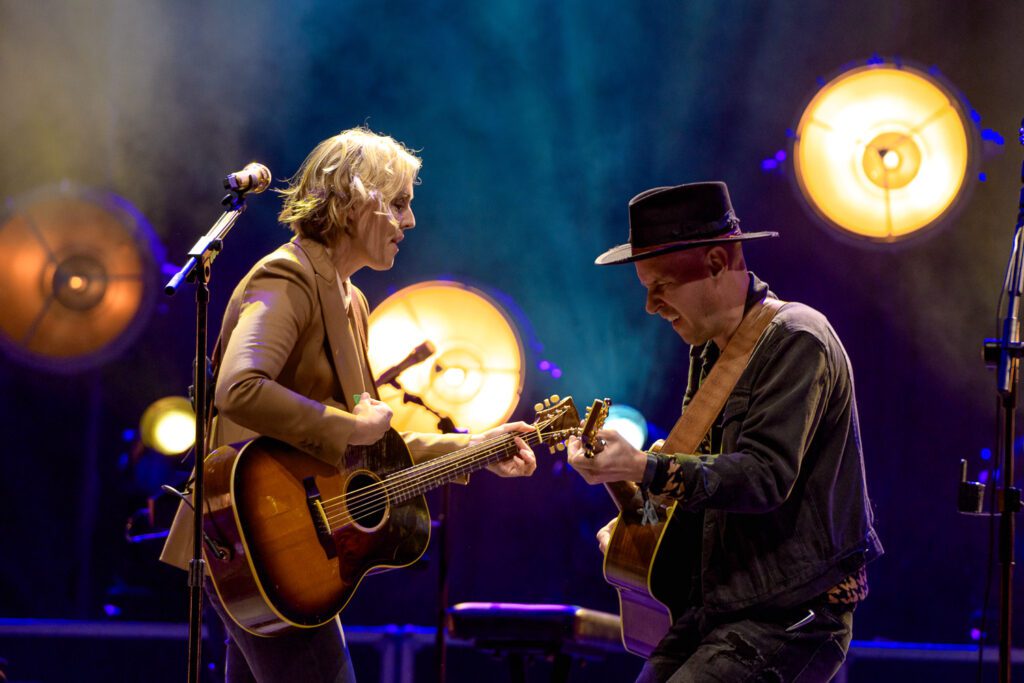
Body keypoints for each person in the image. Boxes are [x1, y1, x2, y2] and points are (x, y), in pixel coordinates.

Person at [160, 126, 537, 682]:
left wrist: (475, 448)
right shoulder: (287, 274)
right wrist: (347, 429)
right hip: (249, 537)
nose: (410, 222)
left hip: (278, 552)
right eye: (400, 204)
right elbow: (240, 388)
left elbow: (371, 443)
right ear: (358, 200)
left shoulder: (351, 299)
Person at [566, 181, 882, 682]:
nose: (650, 306)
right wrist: (630, 503)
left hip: (788, 619)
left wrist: (642, 465)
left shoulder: (798, 338)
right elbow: (702, 481)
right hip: (719, 607)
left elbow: (763, 477)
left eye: (661, 286)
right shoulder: (710, 347)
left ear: (716, 262)